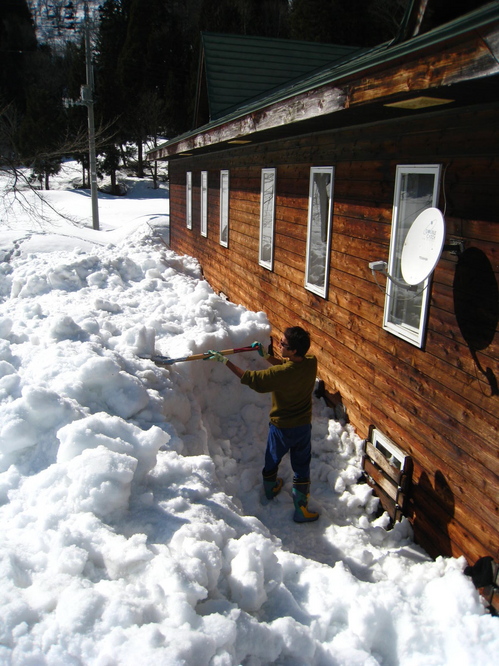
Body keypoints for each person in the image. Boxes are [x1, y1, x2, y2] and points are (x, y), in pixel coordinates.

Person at [206, 326, 319, 523]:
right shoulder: (310, 363)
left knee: (272, 458)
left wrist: (224, 361)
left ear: (293, 350)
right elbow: (284, 367)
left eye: (283, 344)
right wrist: (265, 355)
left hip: (282, 428)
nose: (279, 344)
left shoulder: (280, 374)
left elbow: (250, 379)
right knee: (301, 466)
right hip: (302, 427)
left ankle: (270, 488)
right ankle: (301, 509)